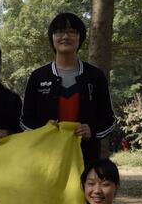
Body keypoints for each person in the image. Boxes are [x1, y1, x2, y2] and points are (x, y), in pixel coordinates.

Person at [20, 13, 115, 166]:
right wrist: (43, 128)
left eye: (72, 32)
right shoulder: (38, 76)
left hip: (86, 160)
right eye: (59, 31)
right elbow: (25, 120)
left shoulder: (95, 76)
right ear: (52, 37)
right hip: (46, 160)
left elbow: (109, 120)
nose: (65, 36)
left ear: (80, 37)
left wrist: (92, 131)